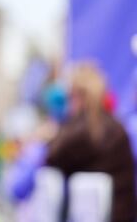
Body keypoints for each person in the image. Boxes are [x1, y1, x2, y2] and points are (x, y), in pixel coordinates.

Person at [45, 62, 136, 222]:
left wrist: (51, 134)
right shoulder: (114, 127)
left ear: (77, 96)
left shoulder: (85, 130)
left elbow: (52, 157)